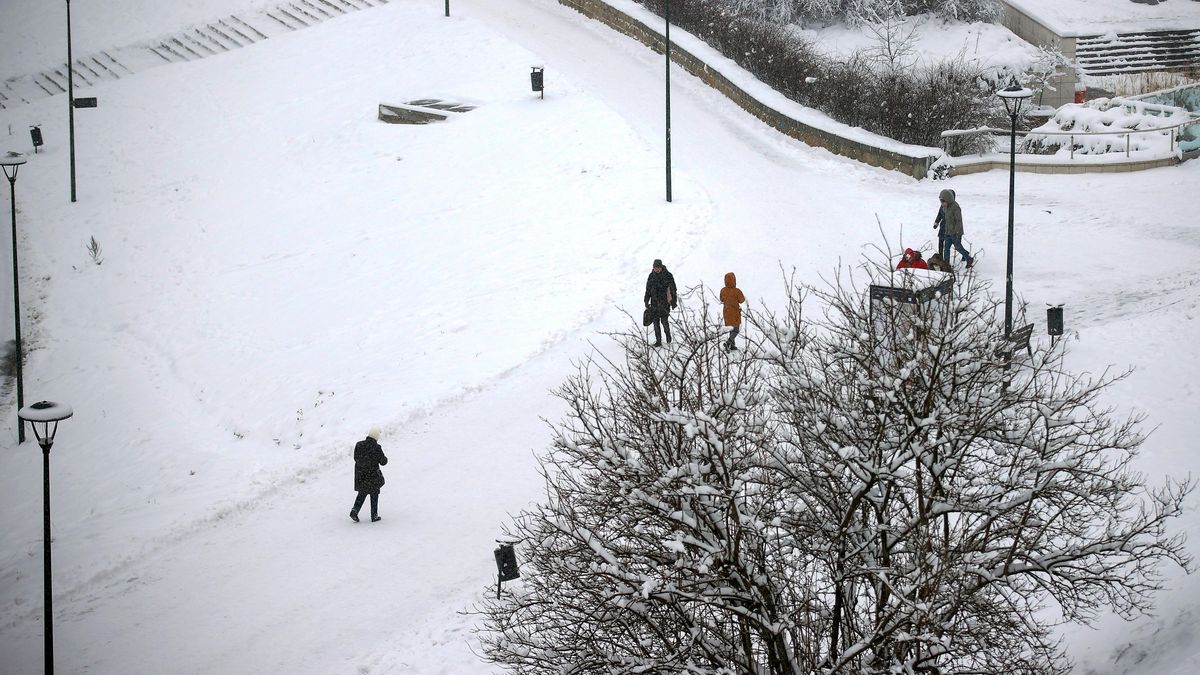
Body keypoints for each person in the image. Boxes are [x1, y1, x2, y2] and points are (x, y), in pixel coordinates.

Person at [350, 427, 388, 523]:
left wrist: (363, 464)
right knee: (374, 494)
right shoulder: (376, 448)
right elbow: (383, 462)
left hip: (361, 475)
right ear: (376, 436)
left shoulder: (359, 445)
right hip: (372, 475)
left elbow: (356, 458)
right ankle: (374, 515)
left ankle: (354, 511)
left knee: (362, 493)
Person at [644, 259, 677, 347]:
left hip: (664, 303)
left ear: (661, 267)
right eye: (655, 268)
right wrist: (646, 300)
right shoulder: (651, 276)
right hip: (654, 303)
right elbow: (647, 290)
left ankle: (668, 339)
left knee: (664, 321)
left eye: (658, 267)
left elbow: (673, 289)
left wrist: (673, 301)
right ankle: (658, 341)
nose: (657, 269)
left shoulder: (668, 275)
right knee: (655, 323)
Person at [939, 189, 974, 268]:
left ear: (948, 200)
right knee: (946, 248)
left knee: (958, 247)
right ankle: (946, 264)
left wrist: (957, 232)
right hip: (948, 231)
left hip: (955, 232)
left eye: (943, 202)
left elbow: (958, 221)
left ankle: (968, 258)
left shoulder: (955, 207)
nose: (942, 204)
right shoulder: (945, 207)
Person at [719, 272, 745, 351]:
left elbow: (721, 299)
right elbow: (742, 300)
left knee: (731, 328)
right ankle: (728, 343)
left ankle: (732, 345)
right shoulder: (737, 291)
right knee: (736, 329)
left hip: (726, 312)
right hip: (735, 312)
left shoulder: (723, 290)